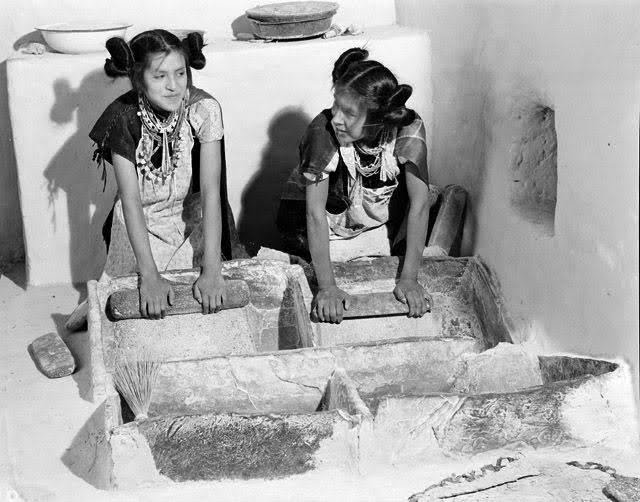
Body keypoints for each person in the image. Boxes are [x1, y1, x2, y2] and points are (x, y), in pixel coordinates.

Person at [88, 29, 237, 320]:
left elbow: (210, 192)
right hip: (141, 224)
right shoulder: (122, 118)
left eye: (180, 74)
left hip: (188, 217)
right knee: (133, 299)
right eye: (159, 77)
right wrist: (150, 276)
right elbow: (130, 202)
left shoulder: (204, 110)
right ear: (138, 80)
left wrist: (212, 270)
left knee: (202, 295)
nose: (173, 86)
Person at [278, 47, 434, 324]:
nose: (336, 117)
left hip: (373, 224)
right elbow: (314, 214)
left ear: (377, 118)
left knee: (446, 201)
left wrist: (409, 279)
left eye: (348, 113)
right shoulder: (322, 132)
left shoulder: (408, 129)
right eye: (335, 104)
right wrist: (326, 287)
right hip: (321, 228)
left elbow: (420, 205)